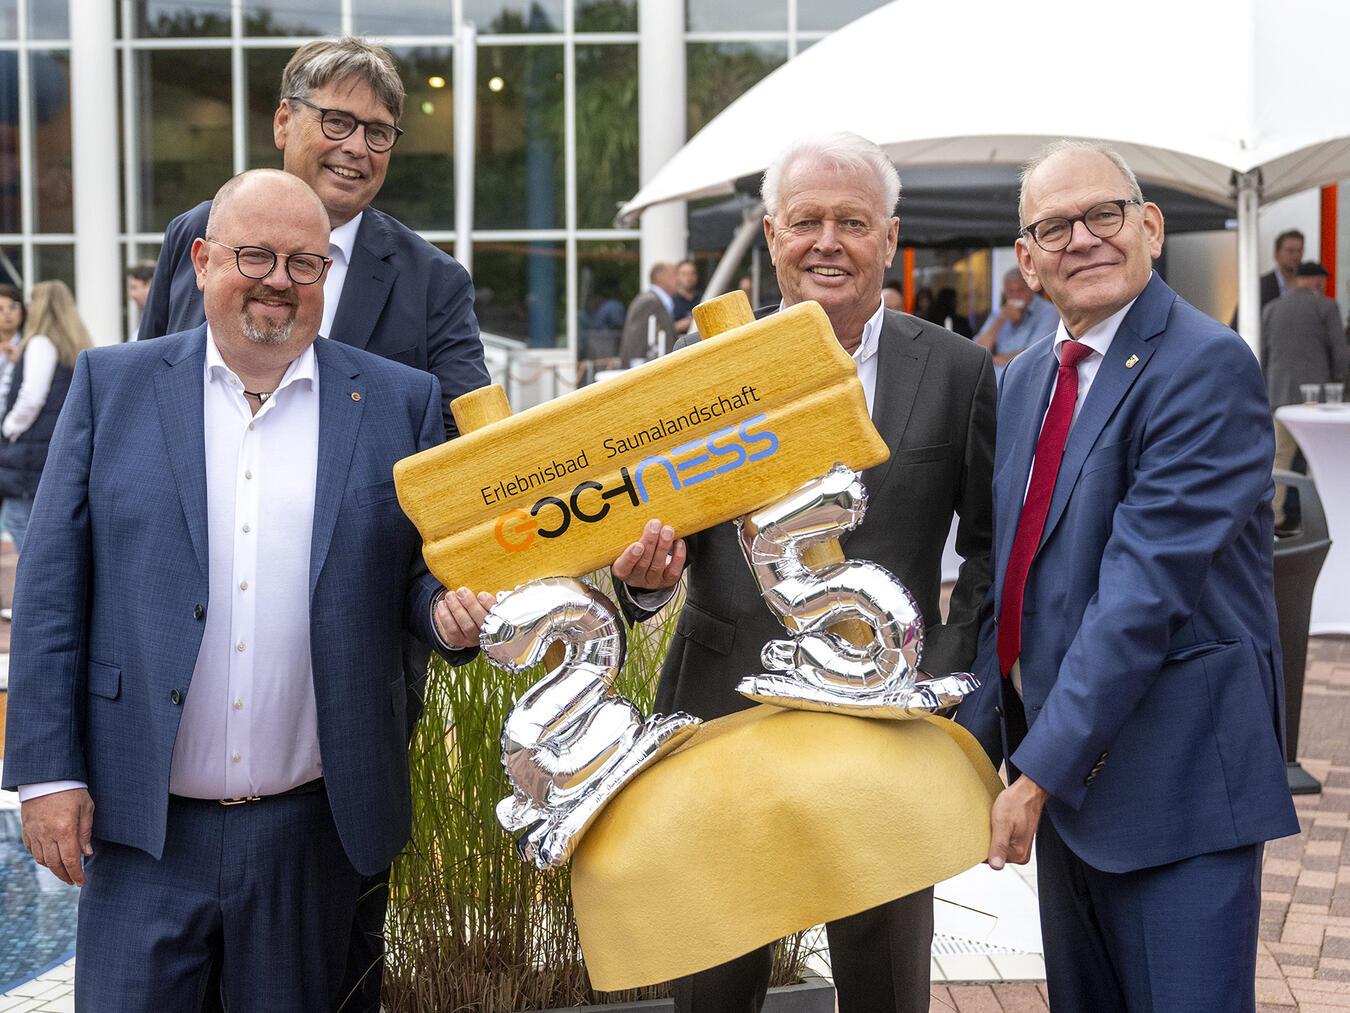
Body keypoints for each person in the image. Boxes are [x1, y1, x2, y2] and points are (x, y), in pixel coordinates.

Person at [1, 169, 493, 1012]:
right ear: (200, 261)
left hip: (310, 832)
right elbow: (51, 590)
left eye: (304, 263)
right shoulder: (113, 385)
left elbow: (414, 576)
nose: (278, 280)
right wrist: (45, 773)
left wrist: (447, 613)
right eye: (254, 255)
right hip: (140, 827)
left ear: (326, 280)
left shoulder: (395, 401)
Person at [614, 131, 996, 1013]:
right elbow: (650, 544)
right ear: (772, 234)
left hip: (883, 722)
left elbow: (986, 548)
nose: (829, 240)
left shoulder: (958, 370)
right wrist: (646, 579)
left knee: (884, 978)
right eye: (807, 220)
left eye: (852, 221)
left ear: (890, 238)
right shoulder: (694, 373)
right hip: (720, 710)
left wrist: (940, 675)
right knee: (715, 979)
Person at [957, 141, 1298, 1012]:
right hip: (1072, 793)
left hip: (1176, 788)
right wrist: (967, 748)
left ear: (1148, 225)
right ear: (1026, 261)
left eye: (1101, 214)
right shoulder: (1028, 376)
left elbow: (1141, 594)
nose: (1081, 238)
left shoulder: (1204, 364)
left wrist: (1035, 772)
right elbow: (1012, 578)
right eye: (1053, 227)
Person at [138, 37, 488, 441]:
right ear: (283, 121)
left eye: (378, 132)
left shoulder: (432, 281)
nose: (356, 147)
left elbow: (466, 440)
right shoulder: (197, 232)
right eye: (337, 122)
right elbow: (150, 384)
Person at [0, 281, 91, 557]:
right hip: (53, 448)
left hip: (29, 455)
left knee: (21, 524)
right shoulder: (74, 346)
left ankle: (32, 597)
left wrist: (9, 427)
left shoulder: (40, 343)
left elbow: (32, 397)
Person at [1261, 260, 1349, 529]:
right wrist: (1341, 387)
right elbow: (1340, 354)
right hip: (1318, 399)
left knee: (1280, 459)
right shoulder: (1326, 306)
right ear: (1317, 281)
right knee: (1318, 460)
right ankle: (1323, 522)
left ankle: (1274, 517)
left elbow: (1263, 354)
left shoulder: (1271, 308)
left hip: (1279, 397)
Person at [975, 266, 1059, 377]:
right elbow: (977, 351)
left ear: (1030, 289)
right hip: (994, 382)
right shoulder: (1000, 314)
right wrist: (1000, 321)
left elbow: (1034, 356)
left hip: (1025, 379)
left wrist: (992, 359)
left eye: (1020, 290)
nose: (1016, 296)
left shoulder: (1048, 312)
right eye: (1010, 291)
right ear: (1004, 292)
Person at [1231, 229, 1303, 328]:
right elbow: (1239, 322)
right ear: (1276, 254)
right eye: (1290, 251)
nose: (1296, 256)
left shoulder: (1306, 286)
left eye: (1299, 251)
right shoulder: (1260, 286)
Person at [620, 261, 678, 364]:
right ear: (660, 277)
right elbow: (636, 340)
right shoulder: (649, 302)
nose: (678, 279)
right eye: (674, 274)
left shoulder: (657, 301)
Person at [671, 258, 701, 334]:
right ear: (676, 276)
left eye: (692, 273)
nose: (689, 278)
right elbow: (663, 330)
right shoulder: (670, 301)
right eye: (684, 274)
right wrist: (680, 325)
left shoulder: (704, 298)